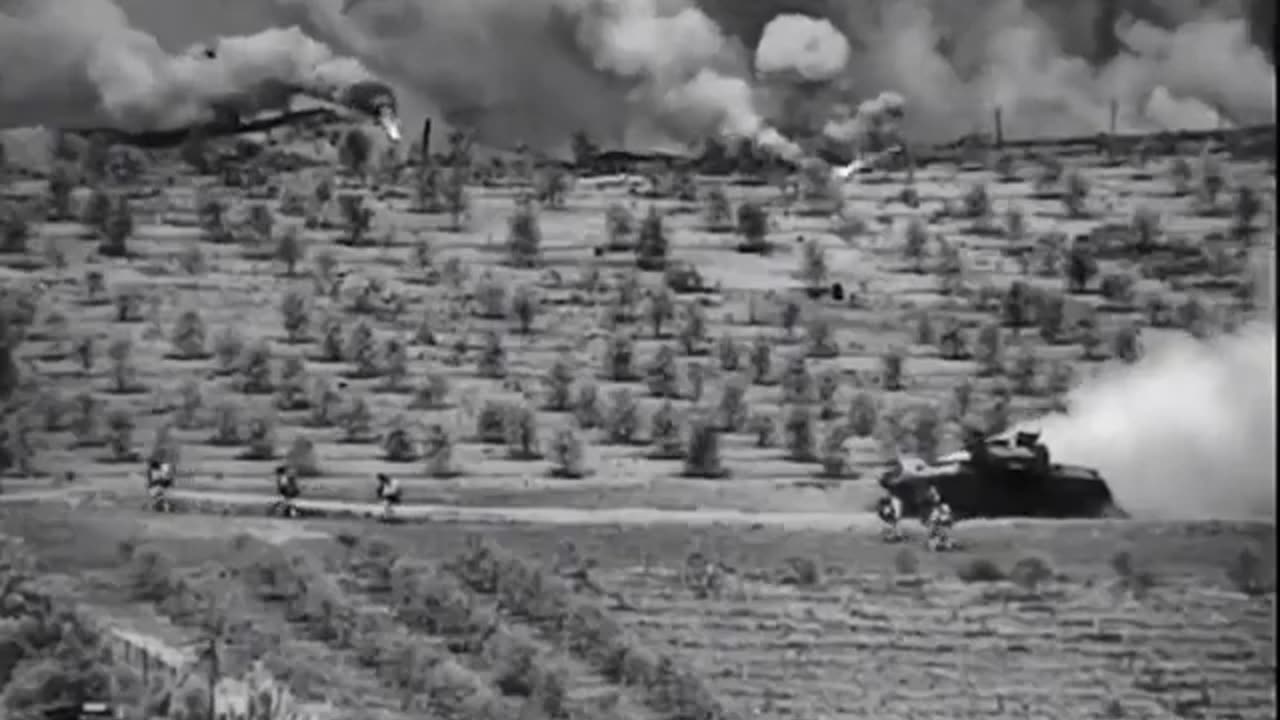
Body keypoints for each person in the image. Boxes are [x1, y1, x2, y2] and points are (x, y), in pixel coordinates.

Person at [923, 485, 957, 551]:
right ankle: (942, 543)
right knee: (934, 536)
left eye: (933, 490)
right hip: (937, 523)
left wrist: (948, 520)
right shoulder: (933, 506)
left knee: (941, 536)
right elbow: (933, 517)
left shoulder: (943, 506)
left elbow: (946, 515)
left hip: (942, 522)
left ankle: (947, 543)